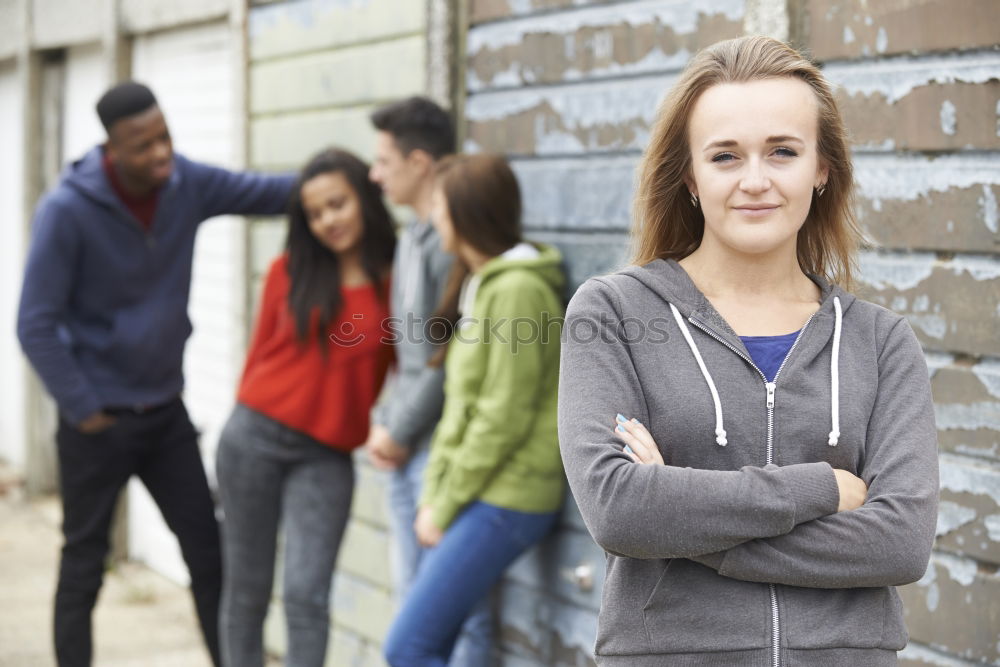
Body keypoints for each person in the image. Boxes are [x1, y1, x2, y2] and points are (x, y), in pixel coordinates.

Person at [558, 36, 939, 667]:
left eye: (783, 152)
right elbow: (619, 510)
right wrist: (818, 489)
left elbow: (900, 543)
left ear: (822, 168)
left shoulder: (879, 340)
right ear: (690, 175)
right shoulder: (613, 314)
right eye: (726, 156)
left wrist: (684, 527)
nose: (755, 181)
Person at [16, 81, 296, 667]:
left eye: (165, 136)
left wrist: (342, 180)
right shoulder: (67, 210)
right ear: (113, 150)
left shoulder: (186, 184)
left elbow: (269, 193)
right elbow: (34, 323)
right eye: (144, 146)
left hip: (165, 414)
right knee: (84, 564)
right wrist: (83, 407)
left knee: (207, 553)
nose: (161, 153)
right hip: (98, 425)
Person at [383, 154, 567, 666]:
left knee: (409, 647)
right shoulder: (484, 283)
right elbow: (461, 411)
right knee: (431, 641)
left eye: (438, 208)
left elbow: (501, 414)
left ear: (463, 213)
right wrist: (435, 496)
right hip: (480, 491)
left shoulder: (518, 291)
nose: (433, 219)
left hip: (510, 496)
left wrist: (443, 505)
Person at [215, 148, 396, 667]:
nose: (327, 221)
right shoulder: (286, 271)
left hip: (326, 457)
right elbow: (258, 361)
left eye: (337, 204)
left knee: (305, 595)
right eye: (314, 213)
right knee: (247, 592)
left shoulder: (396, 279)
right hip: (252, 439)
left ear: (363, 197)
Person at [364, 96, 493, 661]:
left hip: (434, 449)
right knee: (416, 608)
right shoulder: (416, 237)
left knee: (452, 617)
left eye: (383, 162)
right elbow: (413, 356)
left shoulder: (446, 249)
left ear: (419, 163)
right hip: (410, 443)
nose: (374, 174)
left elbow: (447, 360)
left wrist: (397, 428)